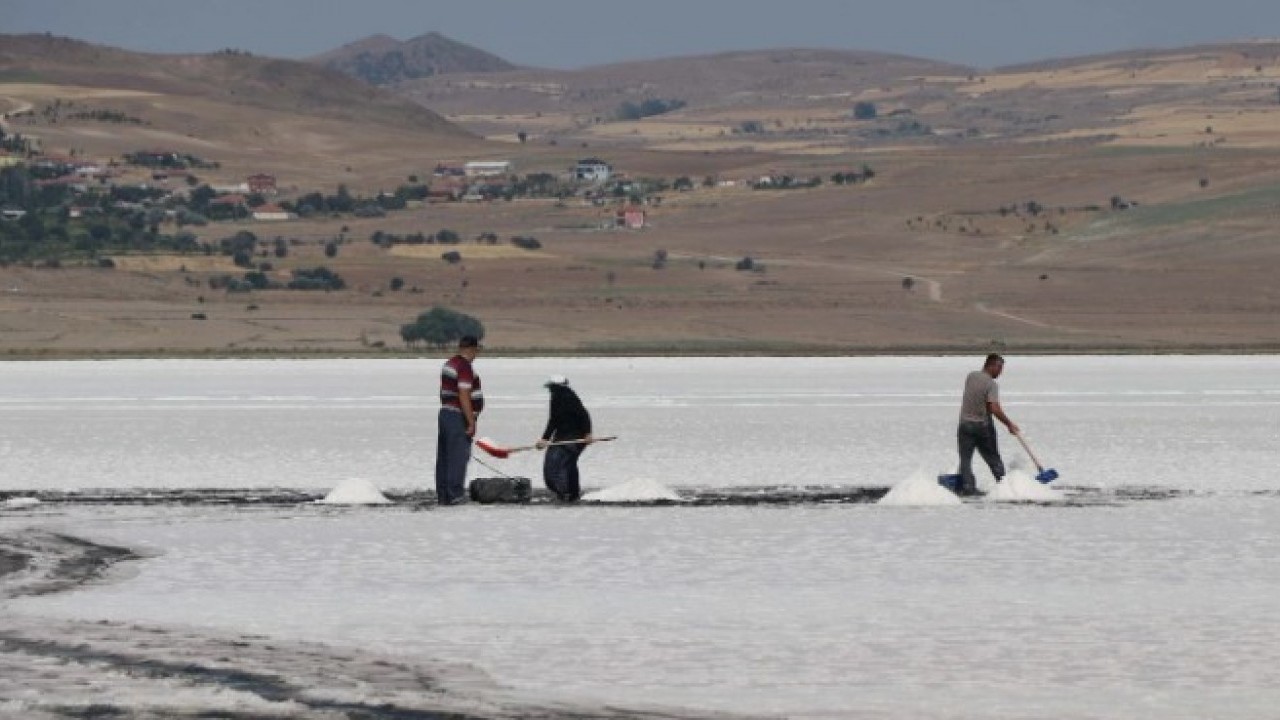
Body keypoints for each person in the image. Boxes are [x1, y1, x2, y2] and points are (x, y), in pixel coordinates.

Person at [956, 353, 1020, 496]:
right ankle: (1005, 486)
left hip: (964, 425)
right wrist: (1009, 423)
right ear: (992, 365)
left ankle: (968, 487)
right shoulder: (991, 384)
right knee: (993, 458)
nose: (1000, 372)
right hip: (982, 427)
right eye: (999, 368)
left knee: (965, 459)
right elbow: (993, 408)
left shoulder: (971, 376)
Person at [436, 335, 483, 505]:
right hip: (457, 416)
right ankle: (455, 495)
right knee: (457, 457)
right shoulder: (464, 366)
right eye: (476, 350)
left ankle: (443, 496)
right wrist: (471, 421)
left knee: (445, 457)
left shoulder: (450, 363)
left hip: (445, 414)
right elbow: (464, 395)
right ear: (472, 349)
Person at [536, 375, 593, 502]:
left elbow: (584, 415)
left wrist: (588, 434)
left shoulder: (570, 398)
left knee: (563, 464)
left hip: (575, 437)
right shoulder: (555, 399)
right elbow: (553, 420)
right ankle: (566, 493)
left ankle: (568, 494)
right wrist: (545, 439)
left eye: (552, 388)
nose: (550, 391)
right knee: (555, 465)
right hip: (561, 436)